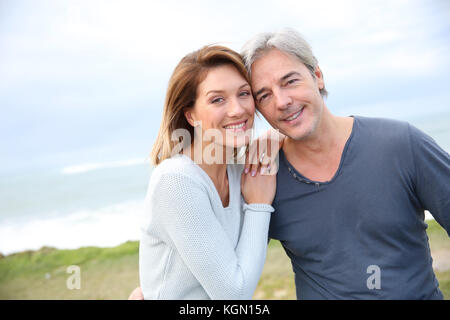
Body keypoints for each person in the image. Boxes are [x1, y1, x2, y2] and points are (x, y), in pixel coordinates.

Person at [240, 28, 450, 299]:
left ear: (317, 76)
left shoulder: (401, 144)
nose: (282, 102)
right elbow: (232, 273)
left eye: (290, 81)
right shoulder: (263, 174)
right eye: (264, 95)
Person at [137, 45, 278, 300]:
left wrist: (278, 136)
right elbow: (234, 295)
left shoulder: (240, 172)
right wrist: (258, 205)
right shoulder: (177, 180)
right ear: (191, 115)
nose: (237, 109)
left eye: (243, 93)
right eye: (217, 99)